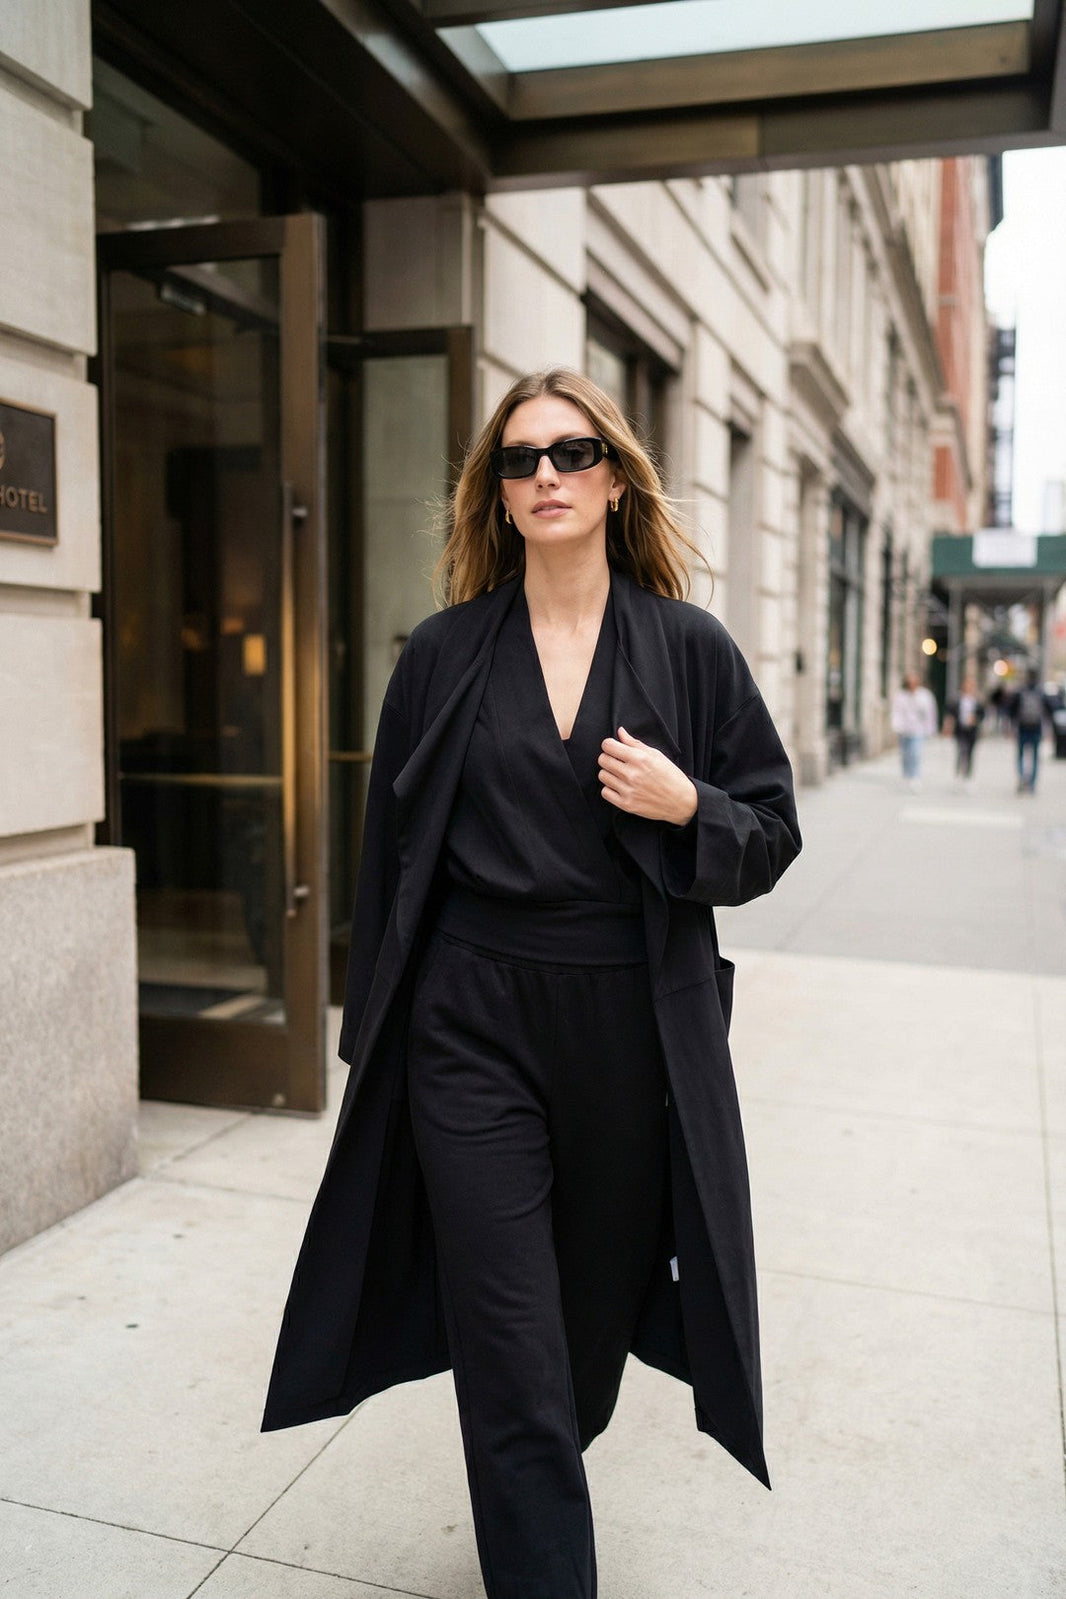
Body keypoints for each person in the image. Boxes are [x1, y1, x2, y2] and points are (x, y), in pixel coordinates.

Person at [262, 368, 801, 1599]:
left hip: (625, 1027)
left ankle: (544, 1455)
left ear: (614, 477)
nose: (544, 476)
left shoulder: (689, 649)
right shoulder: (445, 653)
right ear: (496, 495)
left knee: (584, 1332)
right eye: (518, 461)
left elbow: (770, 839)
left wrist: (691, 806)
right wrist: (376, 1039)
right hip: (469, 1023)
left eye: (569, 454)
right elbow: (385, 862)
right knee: (506, 1343)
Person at [891, 669, 938, 788]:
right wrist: (896, 726)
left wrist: (930, 729)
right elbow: (896, 712)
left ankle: (915, 777)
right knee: (905, 755)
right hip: (904, 730)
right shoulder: (901, 695)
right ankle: (906, 776)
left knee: (915, 753)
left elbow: (930, 713)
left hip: (918, 730)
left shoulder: (925, 695)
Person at [1011, 667, 1049, 793]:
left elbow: (1012, 709)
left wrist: (1011, 726)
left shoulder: (1020, 691)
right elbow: (1048, 711)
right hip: (1036, 727)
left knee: (1021, 755)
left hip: (1023, 727)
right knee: (1035, 757)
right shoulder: (1041, 692)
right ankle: (1032, 784)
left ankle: (1022, 778)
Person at [944, 675, 985, 782]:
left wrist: (976, 719)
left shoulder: (977, 700)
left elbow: (982, 714)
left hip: (972, 730)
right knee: (961, 750)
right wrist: (948, 726)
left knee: (970, 752)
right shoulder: (958, 699)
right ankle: (958, 772)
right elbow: (951, 713)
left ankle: (968, 775)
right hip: (960, 729)